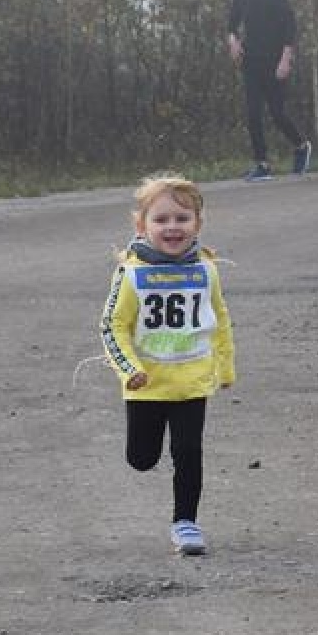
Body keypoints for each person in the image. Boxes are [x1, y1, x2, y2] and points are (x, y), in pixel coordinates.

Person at [100, 174, 235, 556]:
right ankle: (148, 456)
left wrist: (224, 368)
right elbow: (113, 326)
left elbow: (219, 320)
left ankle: (186, 522)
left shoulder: (207, 269)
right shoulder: (131, 274)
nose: (172, 227)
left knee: (189, 451)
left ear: (198, 224)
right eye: (161, 220)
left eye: (182, 218)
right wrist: (129, 369)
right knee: (142, 459)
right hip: (147, 383)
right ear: (142, 226)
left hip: (192, 380)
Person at [226, 0, 310, 183]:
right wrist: (233, 42)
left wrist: (285, 59)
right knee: (253, 113)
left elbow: (289, 29)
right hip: (250, 62)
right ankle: (262, 164)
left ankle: (301, 145)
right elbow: (231, 25)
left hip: (275, 62)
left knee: (277, 112)